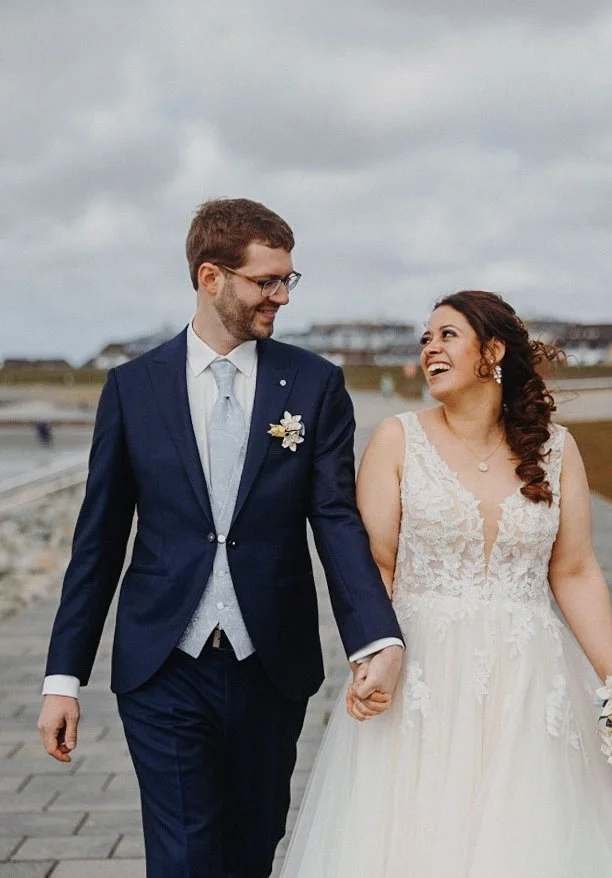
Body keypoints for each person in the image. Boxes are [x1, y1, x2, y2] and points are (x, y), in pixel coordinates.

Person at [37, 198, 404, 878]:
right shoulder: (132, 389)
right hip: (163, 665)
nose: (281, 296)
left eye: (288, 279)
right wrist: (63, 677)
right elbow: (99, 539)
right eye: (266, 281)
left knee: (252, 846)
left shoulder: (316, 385)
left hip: (272, 664)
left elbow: (335, 518)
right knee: (183, 857)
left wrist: (375, 637)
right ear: (212, 277)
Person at [280, 290, 612, 876]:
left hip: (532, 679)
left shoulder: (556, 449)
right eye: (425, 338)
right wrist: (371, 654)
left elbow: (574, 570)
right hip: (423, 674)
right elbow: (374, 563)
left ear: (493, 351)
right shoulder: (397, 440)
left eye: (447, 335)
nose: (430, 347)